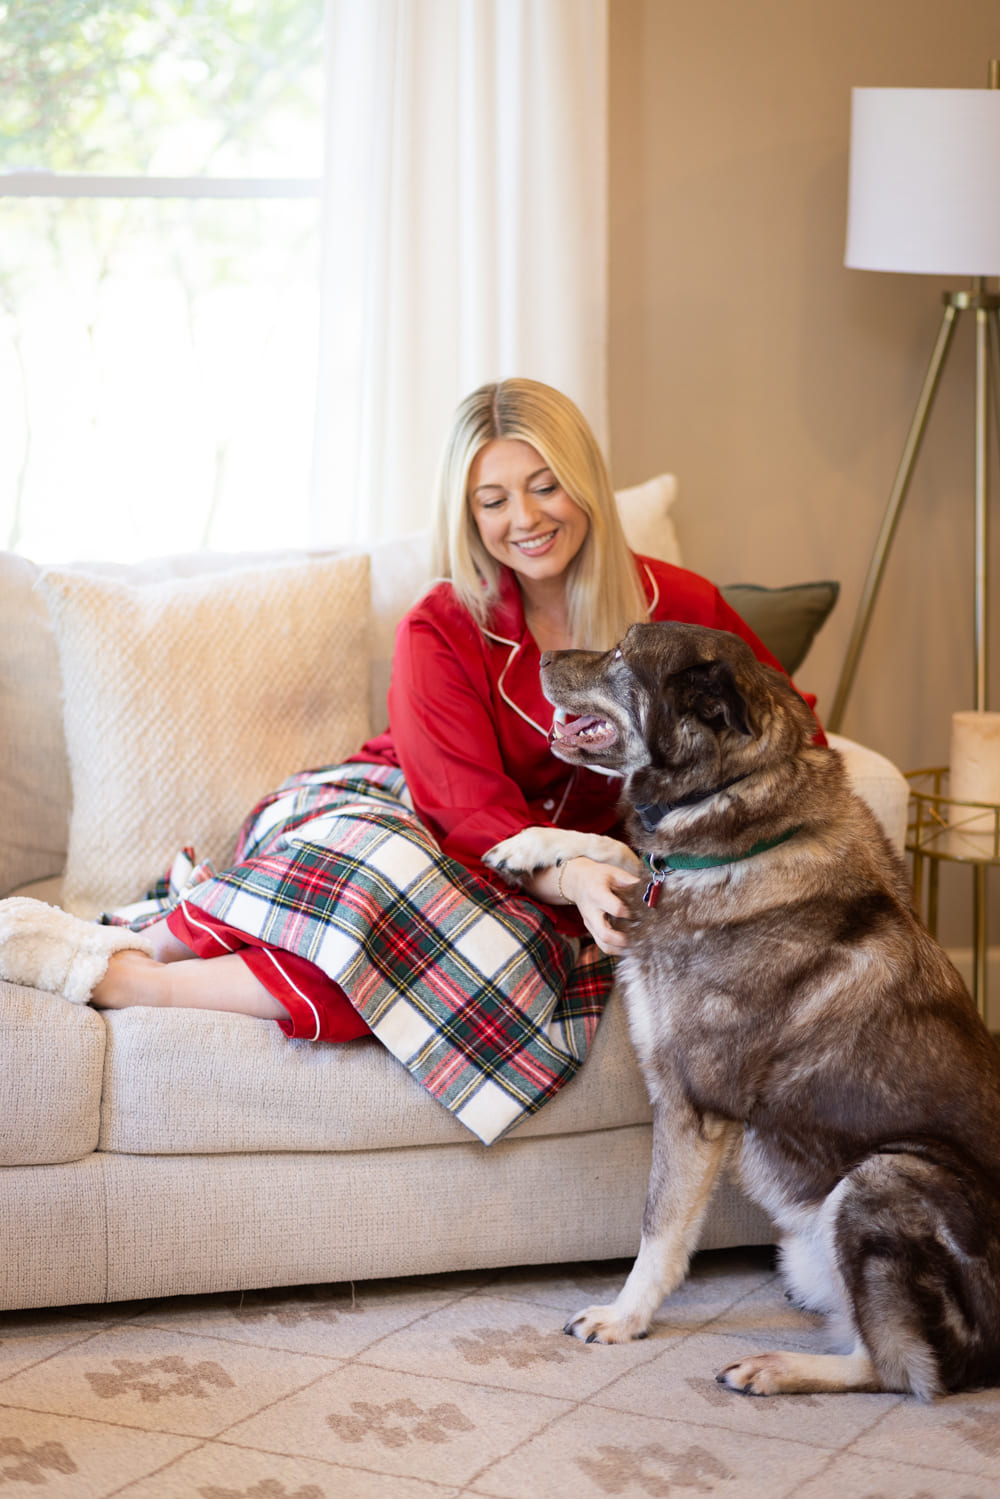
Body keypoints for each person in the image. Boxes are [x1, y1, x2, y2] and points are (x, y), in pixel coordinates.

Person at [0, 378, 810, 1144]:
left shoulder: (681, 608)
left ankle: (146, 976)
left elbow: (786, 723)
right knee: (387, 880)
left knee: (446, 953)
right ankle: (149, 955)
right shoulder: (442, 622)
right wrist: (569, 870)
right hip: (398, 806)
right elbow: (463, 809)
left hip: (525, 875)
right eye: (491, 500)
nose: (523, 518)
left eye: (544, 485)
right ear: (467, 515)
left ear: (586, 483)